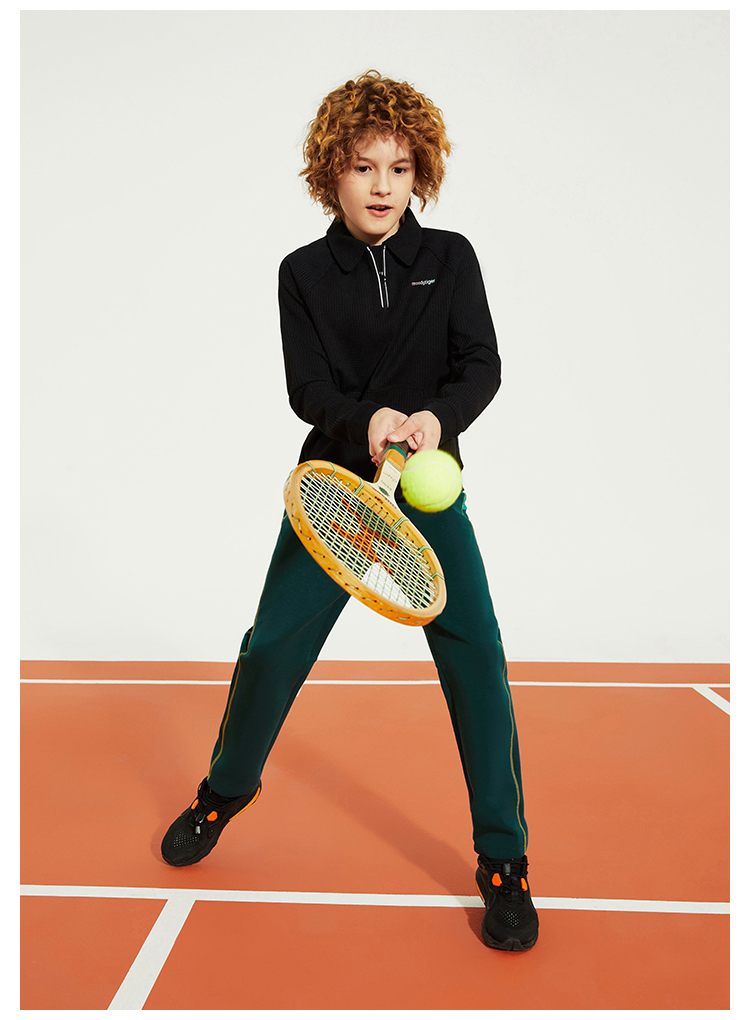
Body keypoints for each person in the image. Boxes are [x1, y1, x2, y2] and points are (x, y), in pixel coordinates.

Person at [161, 70, 539, 953]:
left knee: (477, 655)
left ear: (420, 174)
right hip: (334, 492)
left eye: (399, 169)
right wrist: (365, 421)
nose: (381, 186)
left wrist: (436, 419)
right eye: (364, 167)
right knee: (272, 648)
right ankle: (226, 790)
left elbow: (480, 365)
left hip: (426, 491)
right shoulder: (301, 273)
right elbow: (307, 388)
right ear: (330, 172)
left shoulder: (452, 259)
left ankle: (504, 858)